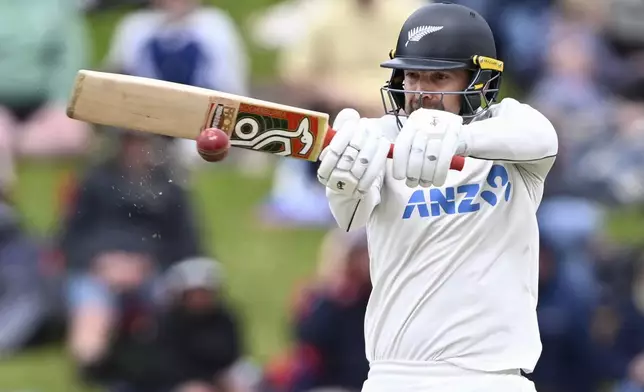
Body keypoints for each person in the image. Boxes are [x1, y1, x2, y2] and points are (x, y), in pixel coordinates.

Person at [312, 3, 558, 392]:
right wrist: (343, 181)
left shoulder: (511, 142)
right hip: (393, 375)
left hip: (491, 379)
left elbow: (544, 137)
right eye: (412, 76)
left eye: (440, 77)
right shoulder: (377, 138)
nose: (421, 92)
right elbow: (350, 217)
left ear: (481, 82)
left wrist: (459, 138)